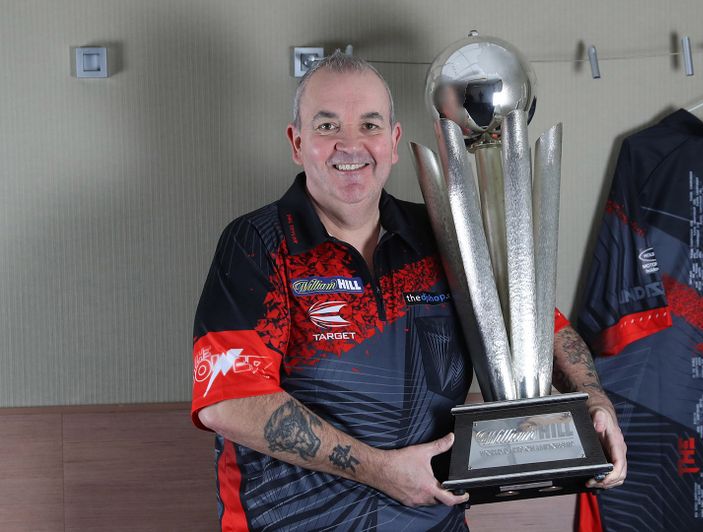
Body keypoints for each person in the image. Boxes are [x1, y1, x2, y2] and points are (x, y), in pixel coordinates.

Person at [191, 51, 626, 531]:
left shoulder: (440, 234)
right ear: (297, 142)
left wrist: (593, 401)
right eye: (328, 126)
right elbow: (228, 402)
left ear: (394, 142)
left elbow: (538, 323)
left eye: (371, 125)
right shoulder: (258, 244)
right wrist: (381, 471)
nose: (351, 145)